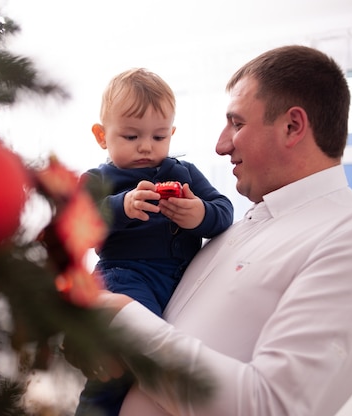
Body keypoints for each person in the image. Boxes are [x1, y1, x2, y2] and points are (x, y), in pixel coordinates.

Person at [70, 45, 352, 415]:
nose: (219, 145)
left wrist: (117, 315)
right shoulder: (239, 230)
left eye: (238, 123)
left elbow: (270, 407)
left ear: (292, 126)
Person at [76, 68, 234, 415]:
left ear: (172, 133)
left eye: (159, 137)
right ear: (102, 136)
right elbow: (76, 228)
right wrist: (122, 206)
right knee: (127, 362)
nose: (147, 147)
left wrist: (199, 215)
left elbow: (224, 210)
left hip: (180, 284)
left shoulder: (184, 172)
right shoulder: (98, 179)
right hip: (124, 278)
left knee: (165, 360)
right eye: (131, 137)